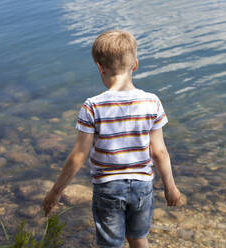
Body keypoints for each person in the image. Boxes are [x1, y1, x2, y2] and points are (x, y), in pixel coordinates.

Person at [43, 30, 180, 248]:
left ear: (99, 67)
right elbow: (159, 151)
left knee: (110, 244)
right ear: (135, 64)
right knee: (138, 238)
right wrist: (170, 187)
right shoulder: (152, 102)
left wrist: (55, 191)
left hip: (108, 187)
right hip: (142, 185)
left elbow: (78, 156)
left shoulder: (93, 106)